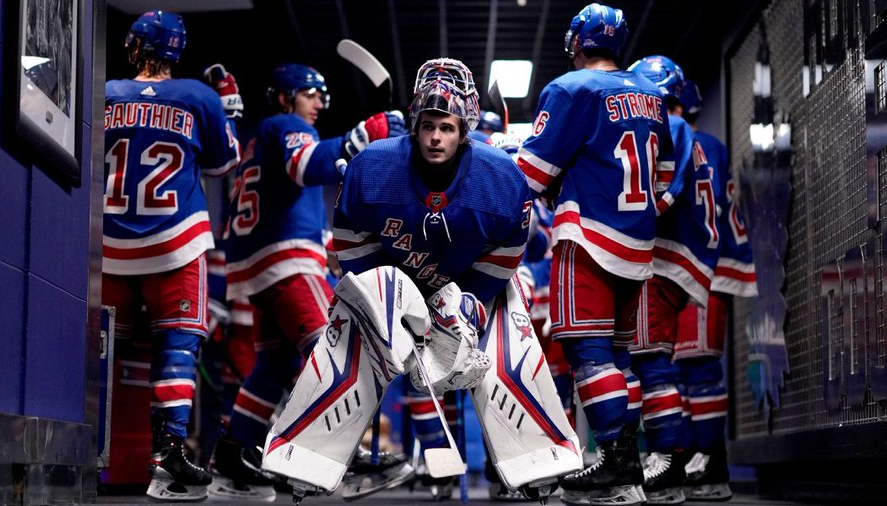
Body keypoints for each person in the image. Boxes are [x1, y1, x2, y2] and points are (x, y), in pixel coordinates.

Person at [260, 57, 581, 505]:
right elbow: (348, 237)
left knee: (508, 346)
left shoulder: (500, 177)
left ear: (464, 129)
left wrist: (474, 301)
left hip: (470, 278)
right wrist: (384, 302)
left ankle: (540, 463)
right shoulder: (372, 166)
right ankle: (301, 459)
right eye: (428, 124)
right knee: (348, 336)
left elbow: (512, 244)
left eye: (446, 127)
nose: (435, 137)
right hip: (394, 275)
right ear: (415, 122)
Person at [211, 61, 407, 501]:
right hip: (286, 261)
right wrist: (366, 133)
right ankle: (343, 453)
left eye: (323, 95)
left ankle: (232, 453)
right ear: (285, 98)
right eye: (310, 93)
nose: (319, 102)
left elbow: (326, 170)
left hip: (255, 269)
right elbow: (307, 166)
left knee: (274, 366)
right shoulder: (284, 125)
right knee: (339, 350)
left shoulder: (258, 140)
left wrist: (368, 153)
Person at [516, 4, 676, 505]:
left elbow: (531, 176)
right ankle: (638, 466)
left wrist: (508, 154)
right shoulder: (651, 96)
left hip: (585, 236)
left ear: (577, 41)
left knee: (587, 352)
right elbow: (664, 178)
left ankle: (617, 465)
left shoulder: (570, 88)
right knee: (622, 360)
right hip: (640, 245)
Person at [102, 10, 241, 502]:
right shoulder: (198, 97)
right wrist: (229, 110)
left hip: (109, 242)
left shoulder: (108, 93)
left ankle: (85, 447)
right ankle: (168, 456)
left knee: (97, 355)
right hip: (176, 239)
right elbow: (225, 162)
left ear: (137, 45)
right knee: (177, 348)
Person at [627, 58, 721, 505]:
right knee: (651, 357)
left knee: (650, 358)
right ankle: (669, 461)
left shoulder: (671, 125)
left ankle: (666, 461)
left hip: (664, 257)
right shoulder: (693, 135)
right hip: (685, 259)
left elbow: (658, 198)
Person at [672, 80, 757, 502]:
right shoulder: (710, 143)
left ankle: (709, 461)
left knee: (697, 368)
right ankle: (696, 459)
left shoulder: (685, 142)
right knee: (683, 370)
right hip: (701, 265)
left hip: (700, 264)